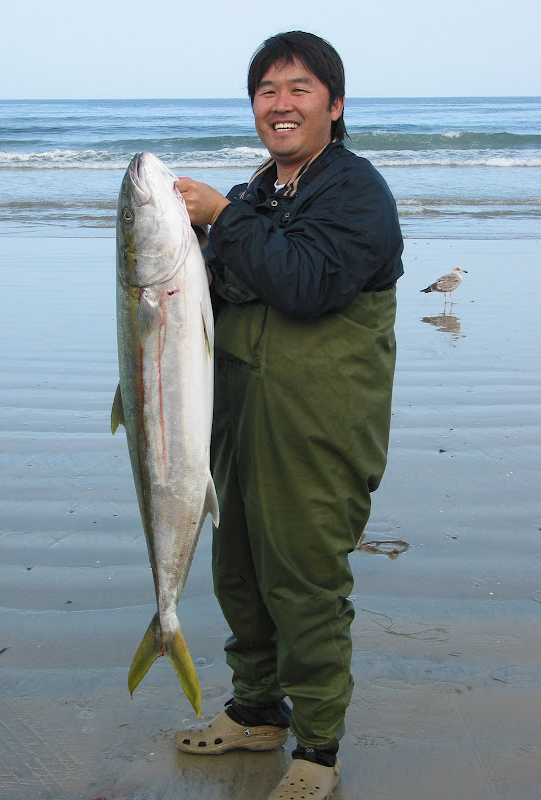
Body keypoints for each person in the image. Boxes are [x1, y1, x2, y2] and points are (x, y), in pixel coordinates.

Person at [174, 31, 403, 800]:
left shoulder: (356, 193)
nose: (281, 103)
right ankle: (256, 711)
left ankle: (319, 751)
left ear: (334, 106)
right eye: (267, 90)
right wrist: (187, 243)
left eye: (299, 88)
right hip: (239, 422)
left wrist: (222, 218)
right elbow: (221, 291)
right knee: (238, 572)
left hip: (317, 429)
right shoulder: (257, 194)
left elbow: (305, 284)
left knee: (304, 583)